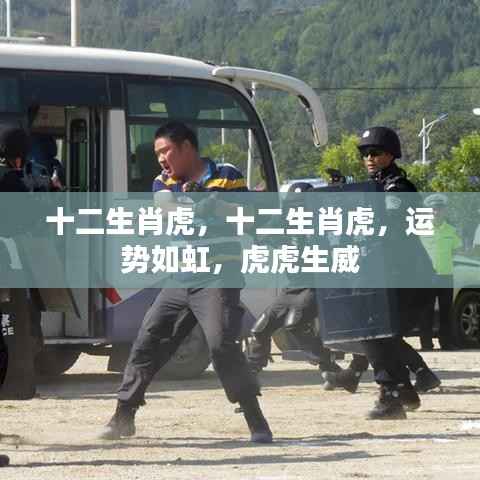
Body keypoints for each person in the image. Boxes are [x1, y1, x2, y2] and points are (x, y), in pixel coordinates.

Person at [99, 122, 273, 443]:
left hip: (218, 277)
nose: (161, 159)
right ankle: (123, 415)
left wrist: (215, 204)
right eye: (158, 153)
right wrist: (195, 204)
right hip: (179, 278)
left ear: (186, 148)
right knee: (148, 340)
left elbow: (250, 218)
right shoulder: (163, 181)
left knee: (221, 345)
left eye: (165, 151)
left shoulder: (227, 175)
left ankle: (255, 419)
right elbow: (165, 207)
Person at [357, 126, 440, 419]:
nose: (369, 158)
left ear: (391, 155)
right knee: (379, 334)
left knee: (377, 334)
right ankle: (404, 390)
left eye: (375, 152)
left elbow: (389, 220)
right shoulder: (372, 188)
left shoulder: (399, 187)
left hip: (408, 277)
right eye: (364, 153)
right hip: (388, 275)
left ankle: (391, 395)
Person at [420, 194, 462, 350]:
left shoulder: (452, 230)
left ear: (444, 211)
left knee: (446, 310)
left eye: (439, 209)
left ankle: (446, 342)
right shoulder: (420, 230)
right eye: (433, 209)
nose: (436, 212)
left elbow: (456, 250)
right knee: (426, 310)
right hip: (427, 276)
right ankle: (426, 343)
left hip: (445, 275)